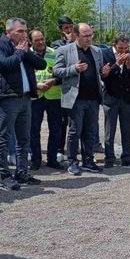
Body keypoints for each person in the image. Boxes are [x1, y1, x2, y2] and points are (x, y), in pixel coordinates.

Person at [0, 18, 47, 190]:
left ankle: (22, 172)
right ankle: (5, 176)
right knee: (4, 138)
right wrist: (20, 53)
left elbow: (41, 64)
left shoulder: (23, 48)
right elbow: (5, 65)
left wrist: (27, 51)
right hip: (7, 98)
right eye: (20, 31)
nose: (24, 34)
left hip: (25, 97)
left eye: (25, 31)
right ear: (9, 32)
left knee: (24, 138)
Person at [53, 23, 105, 176]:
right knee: (75, 131)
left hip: (93, 98)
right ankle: (72, 162)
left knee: (90, 131)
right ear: (76, 35)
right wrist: (74, 69)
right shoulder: (64, 50)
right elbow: (56, 70)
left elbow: (99, 72)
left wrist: (104, 72)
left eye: (90, 35)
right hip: (75, 99)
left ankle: (88, 160)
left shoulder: (96, 51)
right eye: (85, 36)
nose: (89, 38)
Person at [102, 35, 130, 168]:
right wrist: (117, 64)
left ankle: (126, 157)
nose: (123, 52)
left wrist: (129, 65)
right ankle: (109, 158)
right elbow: (105, 76)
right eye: (120, 48)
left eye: (125, 49)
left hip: (126, 98)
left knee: (126, 130)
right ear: (114, 45)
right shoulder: (105, 54)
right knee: (109, 131)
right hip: (111, 97)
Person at [29, 29, 63, 170]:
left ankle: (52, 159)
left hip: (53, 96)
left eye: (42, 38)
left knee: (55, 129)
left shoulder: (54, 53)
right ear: (31, 41)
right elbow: (23, 76)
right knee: (33, 130)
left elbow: (62, 73)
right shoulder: (27, 55)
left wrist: (54, 80)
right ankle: (36, 160)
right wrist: (36, 85)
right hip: (35, 96)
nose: (41, 42)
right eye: (37, 40)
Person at [51, 16, 75, 161]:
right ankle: (59, 148)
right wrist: (69, 41)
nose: (69, 30)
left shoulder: (77, 41)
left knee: (74, 120)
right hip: (60, 88)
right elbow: (59, 59)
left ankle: (73, 148)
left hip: (74, 87)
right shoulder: (56, 44)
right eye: (66, 28)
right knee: (61, 121)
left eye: (70, 27)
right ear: (61, 30)